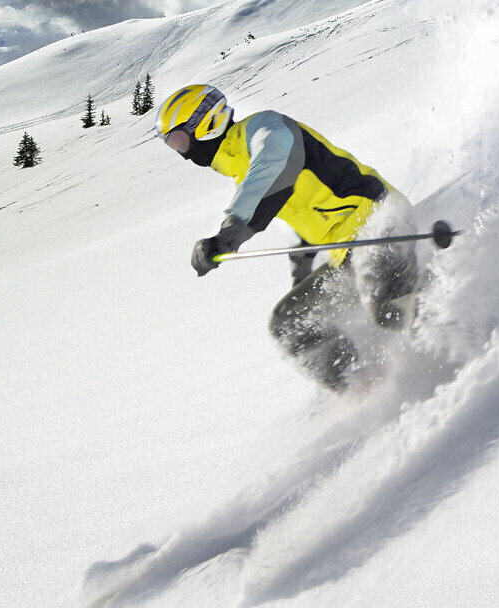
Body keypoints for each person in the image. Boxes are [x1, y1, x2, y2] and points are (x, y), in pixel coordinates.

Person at [156, 84, 418, 392]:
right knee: (291, 323)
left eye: (179, 140)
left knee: (384, 299)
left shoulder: (264, 128)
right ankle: (363, 391)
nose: (182, 153)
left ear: (205, 122)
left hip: (379, 223)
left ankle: (451, 333)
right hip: (346, 253)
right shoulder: (242, 166)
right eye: (173, 145)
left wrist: (227, 236)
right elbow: (304, 217)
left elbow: (277, 166)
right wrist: (302, 274)